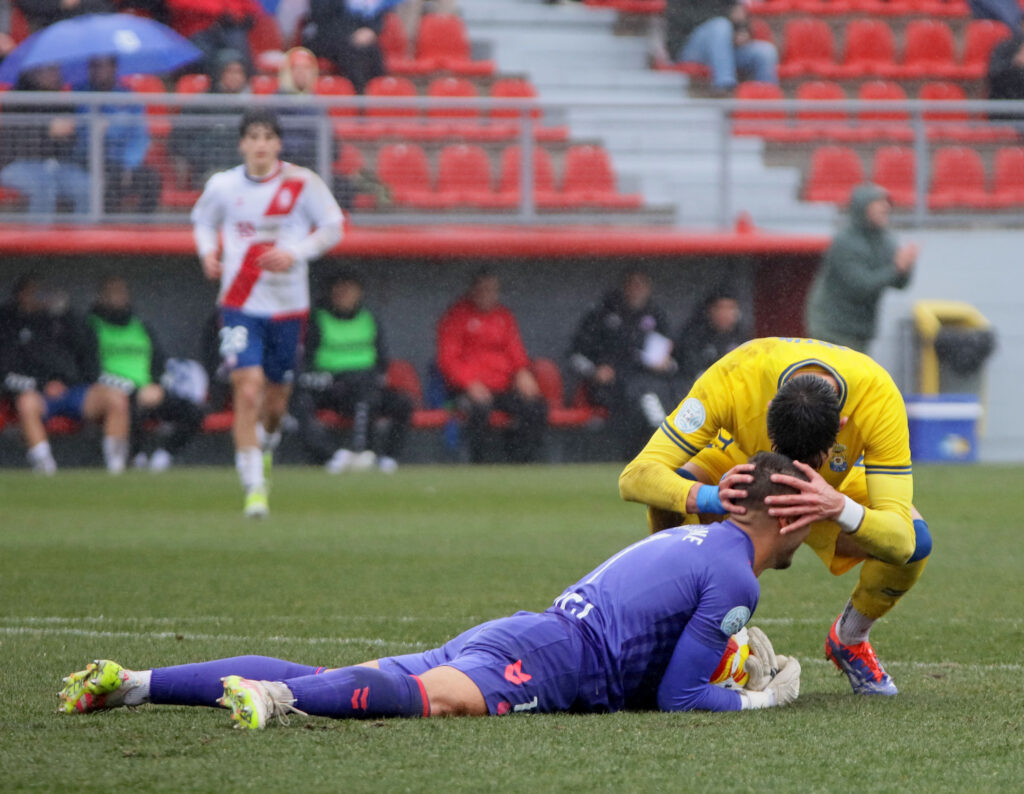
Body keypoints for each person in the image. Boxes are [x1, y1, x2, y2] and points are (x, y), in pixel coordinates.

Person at [58, 451, 809, 727]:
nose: (816, 525)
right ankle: (275, 702)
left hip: (528, 632)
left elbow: (660, 673)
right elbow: (680, 700)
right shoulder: (737, 572)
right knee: (434, 700)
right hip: (555, 658)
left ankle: (132, 684)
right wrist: (758, 698)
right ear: (780, 512)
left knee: (353, 678)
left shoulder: (698, 539)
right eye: (808, 510)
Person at [619, 337, 934, 696]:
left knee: (916, 543)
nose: (794, 472)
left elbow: (903, 539)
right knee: (672, 496)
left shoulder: (877, 397)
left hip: (831, 490)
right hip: (740, 472)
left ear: (842, 425)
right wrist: (710, 496)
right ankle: (683, 629)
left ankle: (851, 638)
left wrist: (839, 507)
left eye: (810, 460)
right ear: (769, 409)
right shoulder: (736, 375)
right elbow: (636, 476)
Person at [192, 107, 344, 517]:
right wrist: (208, 253)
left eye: (267, 137)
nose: (260, 145)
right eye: (253, 137)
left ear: (278, 144)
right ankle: (254, 488)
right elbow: (202, 221)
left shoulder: (301, 183)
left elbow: (333, 226)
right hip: (240, 304)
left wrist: (295, 252)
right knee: (246, 388)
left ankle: (268, 441)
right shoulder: (223, 186)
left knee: (276, 402)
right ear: (242, 143)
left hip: (288, 306)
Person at [0, 276, 130, 474]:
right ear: (21, 295)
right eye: (32, 293)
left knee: (116, 398)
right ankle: (45, 466)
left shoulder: (67, 322)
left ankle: (116, 467)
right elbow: (7, 372)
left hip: (74, 390)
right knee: (26, 403)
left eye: (42, 292)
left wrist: (66, 312)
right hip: (39, 393)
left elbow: (88, 357)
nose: (39, 298)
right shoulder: (10, 324)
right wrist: (42, 384)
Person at [293, 270, 412, 474]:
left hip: (363, 385)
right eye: (339, 290)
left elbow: (381, 358)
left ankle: (386, 459)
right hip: (328, 384)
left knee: (400, 402)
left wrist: (372, 377)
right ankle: (331, 456)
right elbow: (305, 361)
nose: (344, 294)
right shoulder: (317, 318)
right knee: (297, 401)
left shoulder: (369, 317)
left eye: (349, 290)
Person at [86, 275, 204, 472]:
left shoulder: (140, 326)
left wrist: (156, 384)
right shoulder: (91, 326)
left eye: (122, 293)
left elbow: (158, 362)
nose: (119, 298)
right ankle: (135, 457)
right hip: (112, 392)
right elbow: (90, 368)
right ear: (101, 297)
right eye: (113, 293)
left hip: (147, 390)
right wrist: (131, 389)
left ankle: (163, 456)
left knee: (193, 411)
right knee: (128, 406)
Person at [436, 270, 547, 464]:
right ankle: (477, 464)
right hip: (467, 389)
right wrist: (469, 383)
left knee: (535, 406)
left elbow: (515, 351)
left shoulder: (503, 316)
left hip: (502, 387)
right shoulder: (457, 316)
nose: (489, 295)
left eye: (493, 290)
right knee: (478, 409)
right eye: (484, 290)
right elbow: (448, 359)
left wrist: (522, 372)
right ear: (473, 291)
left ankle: (522, 463)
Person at [568, 269, 677, 459]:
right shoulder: (602, 315)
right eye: (633, 285)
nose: (637, 290)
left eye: (641, 285)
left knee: (655, 395)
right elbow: (575, 356)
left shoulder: (656, 316)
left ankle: (659, 451)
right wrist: (595, 371)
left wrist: (665, 364)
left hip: (649, 383)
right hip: (610, 387)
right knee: (634, 401)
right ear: (624, 287)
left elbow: (673, 362)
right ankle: (639, 454)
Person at [804, 184, 917, 354]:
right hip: (832, 327)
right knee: (840, 377)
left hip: (860, 328)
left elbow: (900, 284)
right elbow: (860, 286)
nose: (885, 207)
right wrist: (896, 269)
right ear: (862, 208)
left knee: (857, 378)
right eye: (878, 202)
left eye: (886, 202)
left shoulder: (885, 240)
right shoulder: (845, 241)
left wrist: (906, 267)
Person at [73, 56, 162, 215]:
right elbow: (80, 134)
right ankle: (106, 229)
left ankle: (144, 229)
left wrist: (128, 165)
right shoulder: (78, 95)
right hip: (86, 159)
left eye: (106, 66)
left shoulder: (129, 98)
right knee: (110, 178)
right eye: (97, 67)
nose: (101, 72)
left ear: (114, 68)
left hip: (123, 161)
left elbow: (138, 136)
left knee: (151, 179)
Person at [0, 63, 90, 217]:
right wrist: (47, 130)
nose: (56, 74)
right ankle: (37, 239)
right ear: (35, 72)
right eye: (50, 70)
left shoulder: (64, 104)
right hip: (16, 165)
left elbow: (67, 150)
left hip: (55, 166)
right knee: (44, 187)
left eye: (57, 70)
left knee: (87, 187)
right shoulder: (15, 100)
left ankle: (83, 238)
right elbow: (16, 142)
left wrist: (68, 135)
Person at [169, 49, 253, 190]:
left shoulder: (252, 107)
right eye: (229, 72)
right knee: (220, 184)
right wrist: (207, 156)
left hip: (246, 171)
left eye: (239, 72)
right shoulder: (201, 104)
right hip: (209, 171)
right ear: (218, 73)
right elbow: (179, 141)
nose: (235, 77)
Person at [664, 0, 778, 94]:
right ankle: (724, 85)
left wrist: (743, 33)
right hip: (689, 49)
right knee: (720, 25)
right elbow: (686, 20)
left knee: (765, 51)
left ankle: (766, 100)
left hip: (724, 51)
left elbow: (739, 19)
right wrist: (727, 18)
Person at [304, 0, 387, 93]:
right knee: (352, 52)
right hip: (326, 37)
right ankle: (358, 97)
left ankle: (379, 95)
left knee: (373, 50)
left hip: (355, 34)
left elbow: (373, 13)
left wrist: (370, 30)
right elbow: (320, 14)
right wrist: (351, 35)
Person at [675, 290, 749, 388]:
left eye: (730, 308)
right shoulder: (695, 335)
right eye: (720, 308)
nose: (725, 313)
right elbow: (688, 370)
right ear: (710, 310)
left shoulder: (743, 337)